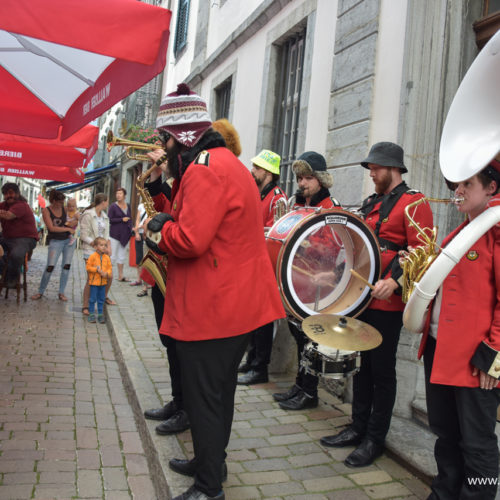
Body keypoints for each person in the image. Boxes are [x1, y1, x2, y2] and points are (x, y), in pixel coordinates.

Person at [145, 83, 285, 500]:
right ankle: (210, 461)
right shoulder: (223, 162)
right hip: (234, 303)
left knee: (206, 398)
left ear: (181, 135)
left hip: (215, 307)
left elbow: (189, 239)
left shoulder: (204, 167)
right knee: (218, 394)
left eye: (165, 138)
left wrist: (158, 230)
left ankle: (209, 488)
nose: (163, 147)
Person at [319, 142, 434, 468]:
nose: (371, 173)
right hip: (361, 299)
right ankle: (357, 427)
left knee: (382, 372)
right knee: (362, 368)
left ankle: (374, 438)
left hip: (388, 304)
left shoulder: (415, 203)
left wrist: (395, 281)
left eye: (376, 168)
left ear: (393, 169)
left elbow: (422, 252)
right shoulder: (372, 203)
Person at [418, 160, 500, 500]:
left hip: (476, 359)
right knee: (446, 435)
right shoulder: (465, 228)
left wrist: (493, 356)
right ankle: (444, 493)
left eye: (467, 183)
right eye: (456, 184)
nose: (457, 190)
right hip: (442, 350)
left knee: (478, 445)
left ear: (491, 188)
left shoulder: (494, 228)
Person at [272, 151, 341, 411]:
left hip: (317, 285)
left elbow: (333, 247)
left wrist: (303, 242)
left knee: (309, 338)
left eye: (308, 178)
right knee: (297, 335)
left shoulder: (331, 207)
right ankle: (299, 385)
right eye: (300, 178)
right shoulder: (298, 204)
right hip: (295, 282)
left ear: (320, 180)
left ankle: (309, 392)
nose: (302, 183)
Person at [237, 149, 286, 385]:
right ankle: (251, 359)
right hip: (255, 263)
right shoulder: (261, 194)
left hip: (267, 265)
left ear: (267, 171)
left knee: (263, 320)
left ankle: (260, 368)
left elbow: (274, 233)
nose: (253, 171)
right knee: (252, 318)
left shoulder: (278, 198)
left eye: (256, 168)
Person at [31, 190, 77, 301]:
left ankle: (61, 292)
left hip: (68, 241)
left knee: (66, 266)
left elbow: (75, 219)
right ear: (54, 201)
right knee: (50, 267)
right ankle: (40, 291)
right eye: (60, 202)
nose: (62, 204)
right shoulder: (46, 211)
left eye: (63, 202)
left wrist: (74, 221)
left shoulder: (65, 209)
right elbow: (51, 228)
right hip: (55, 241)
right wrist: (67, 228)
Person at [80, 193, 113, 315]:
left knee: (109, 276)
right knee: (91, 278)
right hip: (90, 250)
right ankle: (85, 306)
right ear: (103, 202)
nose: (108, 203)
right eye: (107, 201)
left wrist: (107, 248)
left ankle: (102, 298)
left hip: (103, 251)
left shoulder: (105, 217)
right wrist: (95, 244)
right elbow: (83, 235)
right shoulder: (88, 215)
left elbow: (107, 235)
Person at [0, 183, 38, 288]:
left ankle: (12, 280)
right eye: (5, 194)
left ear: (17, 193)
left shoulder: (22, 205)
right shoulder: (3, 205)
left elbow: (8, 216)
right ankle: (6, 274)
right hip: (8, 237)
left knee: (16, 254)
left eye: (11, 193)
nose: (8, 196)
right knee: (6, 255)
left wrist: (4, 213)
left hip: (26, 238)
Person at [86, 237, 113, 324]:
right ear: (95, 247)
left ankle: (100, 315)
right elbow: (88, 267)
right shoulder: (92, 257)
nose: (104, 247)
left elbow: (110, 268)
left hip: (103, 283)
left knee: (101, 299)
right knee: (92, 299)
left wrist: (107, 274)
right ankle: (91, 314)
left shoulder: (107, 258)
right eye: (101, 245)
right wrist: (96, 270)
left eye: (105, 245)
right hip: (94, 283)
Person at [108, 187, 132, 282]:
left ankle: (121, 276)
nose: (118, 195)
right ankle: (108, 274)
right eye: (117, 193)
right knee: (112, 256)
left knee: (122, 256)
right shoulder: (113, 206)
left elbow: (130, 218)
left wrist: (131, 228)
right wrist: (121, 220)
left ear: (125, 196)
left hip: (125, 234)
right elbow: (109, 220)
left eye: (120, 193)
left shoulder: (128, 205)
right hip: (114, 234)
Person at [130, 201, 148, 297]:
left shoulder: (155, 205)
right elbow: (137, 220)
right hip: (140, 232)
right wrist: (137, 232)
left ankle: (147, 282)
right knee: (139, 258)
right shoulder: (141, 205)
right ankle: (139, 279)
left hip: (148, 233)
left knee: (147, 260)